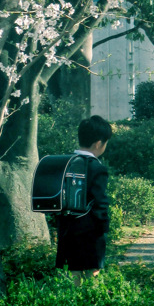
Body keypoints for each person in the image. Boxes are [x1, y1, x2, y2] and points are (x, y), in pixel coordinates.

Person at [55, 114, 113, 282]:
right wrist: (104, 226)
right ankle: (88, 305)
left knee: (73, 273)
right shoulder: (97, 168)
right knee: (91, 274)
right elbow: (100, 201)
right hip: (90, 231)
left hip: (67, 228)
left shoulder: (66, 162)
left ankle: (74, 304)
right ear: (99, 143)